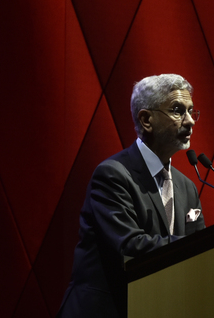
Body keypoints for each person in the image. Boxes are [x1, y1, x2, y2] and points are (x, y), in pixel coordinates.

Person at [57, 74, 205, 318]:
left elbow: (201, 248)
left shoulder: (186, 186)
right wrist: (197, 244)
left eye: (191, 111)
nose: (190, 121)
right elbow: (129, 245)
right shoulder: (112, 175)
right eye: (178, 111)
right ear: (146, 120)